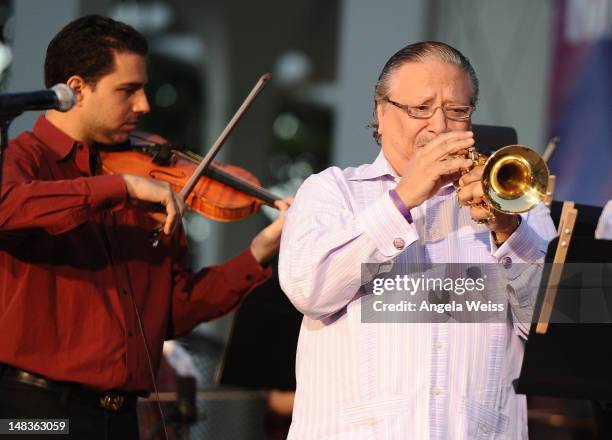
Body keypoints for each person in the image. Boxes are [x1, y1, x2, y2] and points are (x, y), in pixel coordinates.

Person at [0, 14, 290, 439]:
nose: (144, 105)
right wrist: (118, 186)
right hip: (35, 413)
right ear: (76, 89)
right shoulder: (24, 162)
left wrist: (259, 252)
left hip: (120, 418)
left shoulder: (149, 180)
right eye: (128, 90)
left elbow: (172, 311)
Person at [279, 41, 557, 439]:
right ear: (381, 112)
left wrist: (507, 232)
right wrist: (404, 198)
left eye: (457, 111)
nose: (440, 126)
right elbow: (310, 288)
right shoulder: (332, 191)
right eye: (421, 109)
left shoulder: (519, 209)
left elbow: (555, 330)